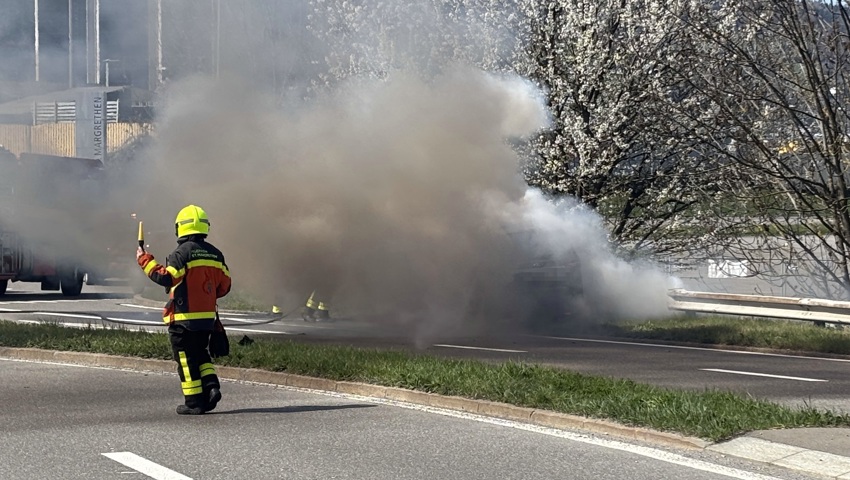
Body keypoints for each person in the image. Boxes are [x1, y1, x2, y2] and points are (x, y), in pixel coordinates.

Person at [136, 204, 232, 415]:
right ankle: (211, 385)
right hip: (207, 319)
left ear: (180, 228)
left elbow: (167, 278)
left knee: (186, 361)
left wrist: (144, 260)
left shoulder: (182, 253)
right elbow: (225, 286)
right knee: (201, 354)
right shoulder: (216, 254)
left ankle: (194, 402)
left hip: (183, 318)